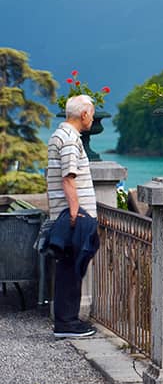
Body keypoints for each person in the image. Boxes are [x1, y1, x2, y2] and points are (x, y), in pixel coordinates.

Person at [46, 94, 98, 339]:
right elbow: (69, 177)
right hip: (73, 215)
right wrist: (76, 214)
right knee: (71, 267)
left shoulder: (62, 135)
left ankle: (69, 321)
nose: (93, 118)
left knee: (70, 267)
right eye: (92, 113)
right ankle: (66, 323)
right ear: (84, 114)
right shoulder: (68, 139)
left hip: (69, 214)